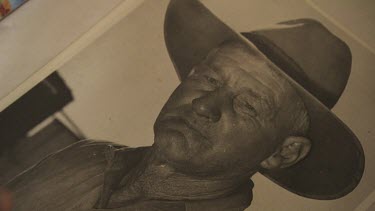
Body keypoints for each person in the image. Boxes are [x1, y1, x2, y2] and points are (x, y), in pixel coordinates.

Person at [4, 0, 364, 210]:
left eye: (249, 106)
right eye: (209, 79)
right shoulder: (88, 157)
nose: (206, 105)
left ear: (283, 153)